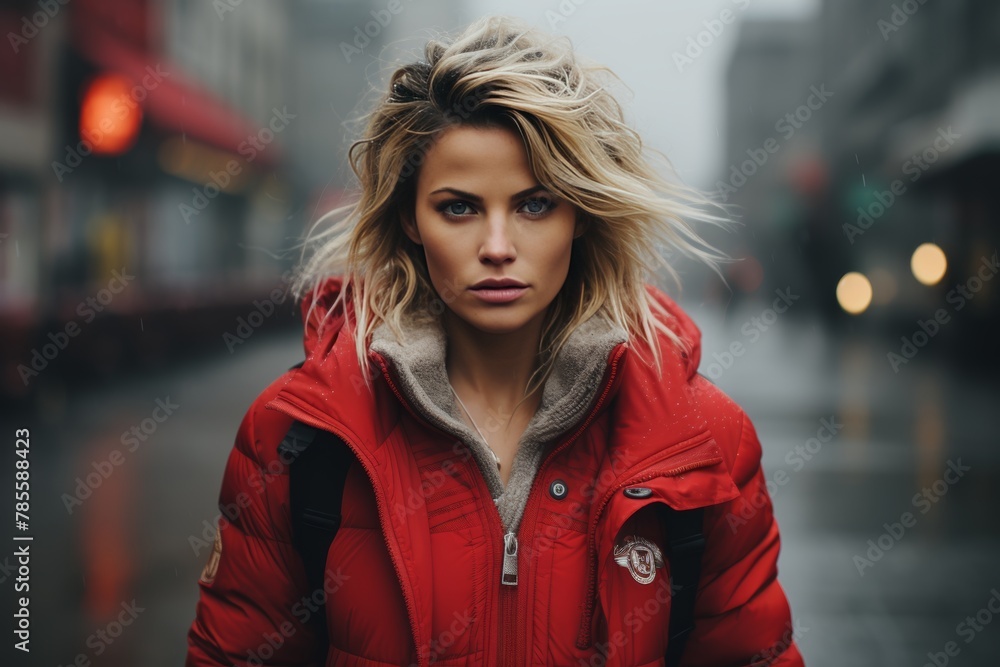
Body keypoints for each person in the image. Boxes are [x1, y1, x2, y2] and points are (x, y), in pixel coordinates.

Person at [185, 14, 805, 667]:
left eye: (535, 204)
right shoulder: (300, 439)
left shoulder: (703, 446)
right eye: (459, 206)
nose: (498, 247)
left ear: (582, 218)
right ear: (410, 220)